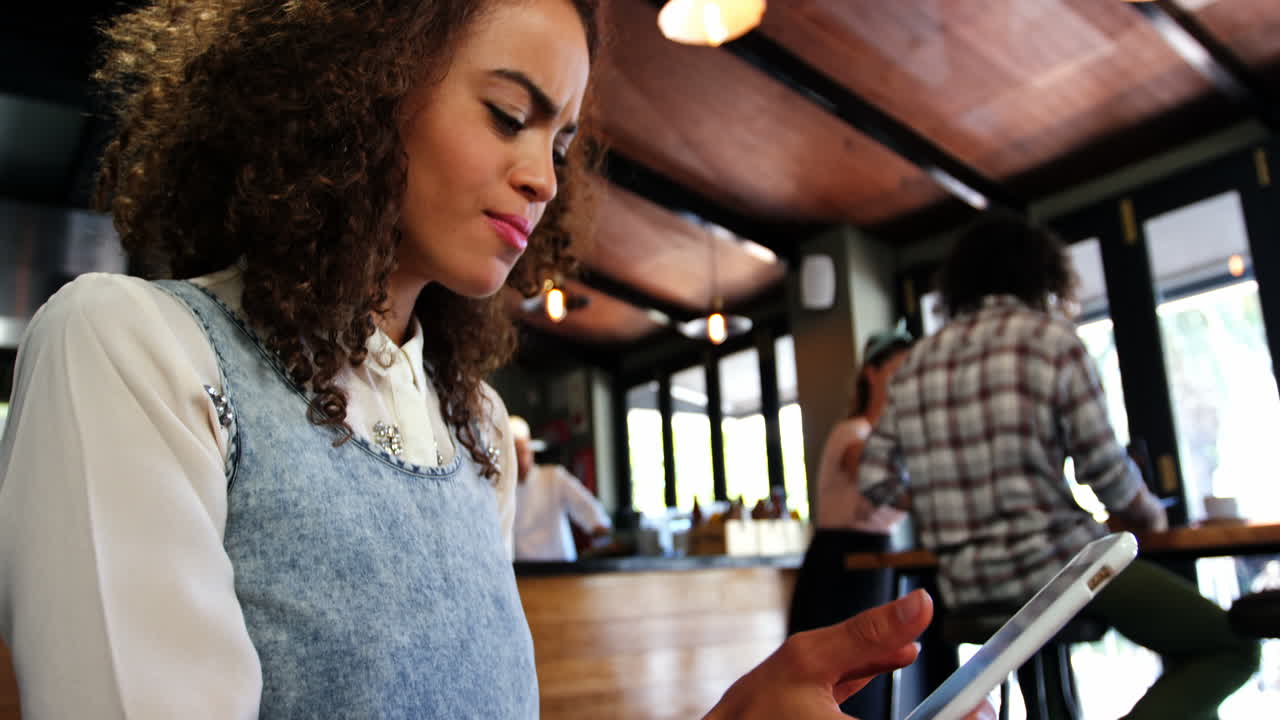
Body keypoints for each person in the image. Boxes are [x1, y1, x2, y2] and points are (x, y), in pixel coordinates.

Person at [0, 1, 996, 718]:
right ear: (355, 88)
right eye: (507, 114)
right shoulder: (132, 349)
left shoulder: (470, 423)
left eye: (559, 144)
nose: (539, 178)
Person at [858, 212, 1260, 720]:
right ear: (1038, 272)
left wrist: (941, 498)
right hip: (1059, 571)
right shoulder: (1049, 340)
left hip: (965, 587)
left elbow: (872, 478)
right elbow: (1105, 472)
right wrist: (1149, 515)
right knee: (1230, 647)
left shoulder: (916, 363)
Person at [788, 326, 913, 718]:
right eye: (897, 371)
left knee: (869, 676)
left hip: (874, 560)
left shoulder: (890, 442)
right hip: (839, 564)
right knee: (838, 684)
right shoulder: (853, 434)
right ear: (871, 374)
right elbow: (874, 480)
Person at [509, 415, 610, 561]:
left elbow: (583, 504)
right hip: (524, 569)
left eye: (522, 451)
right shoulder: (502, 488)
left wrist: (598, 526)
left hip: (560, 563)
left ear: (530, 451)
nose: (520, 459)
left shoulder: (553, 476)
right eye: (515, 454)